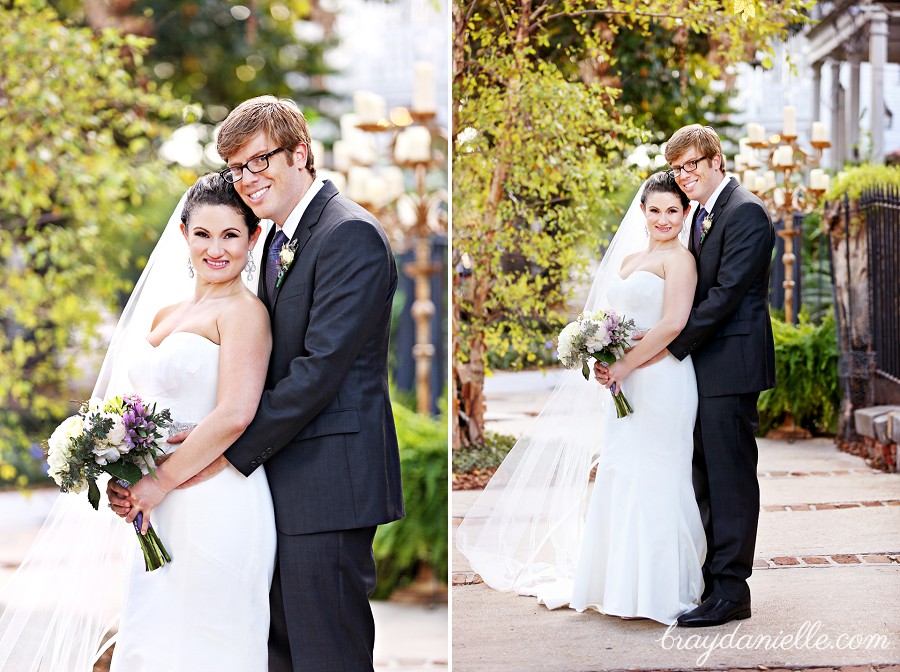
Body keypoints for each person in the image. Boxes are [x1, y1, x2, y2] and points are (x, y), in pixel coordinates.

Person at [112, 95, 404, 671]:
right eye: (237, 168)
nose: (247, 179)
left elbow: (317, 373)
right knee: (276, 653)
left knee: (327, 653)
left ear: (300, 154)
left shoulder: (350, 235)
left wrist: (207, 457)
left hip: (328, 486)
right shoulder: (272, 237)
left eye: (260, 161)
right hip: (273, 486)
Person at [0, 173, 277, 672]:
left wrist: (158, 481)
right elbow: (139, 412)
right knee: (152, 641)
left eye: (231, 235)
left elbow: (235, 415)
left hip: (217, 499)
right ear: (184, 235)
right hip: (159, 506)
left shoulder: (245, 314)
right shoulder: (165, 314)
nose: (216, 249)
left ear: (252, 238)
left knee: (209, 645)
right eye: (204, 234)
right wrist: (123, 471)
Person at [456, 171, 706, 626]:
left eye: (673, 210)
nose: (664, 219)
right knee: (619, 470)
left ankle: (660, 590)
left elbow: (673, 325)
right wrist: (603, 357)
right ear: (643, 212)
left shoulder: (681, 260)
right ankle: (617, 585)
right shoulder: (631, 258)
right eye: (655, 210)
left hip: (664, 381)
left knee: (658, 476)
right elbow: (614, 320)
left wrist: (626, 363)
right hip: (625, 383)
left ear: (684, 212)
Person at [600, 125, 776, 627]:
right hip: (697, 369)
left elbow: (724, 296)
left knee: (730, 479)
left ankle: (731, 591)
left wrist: (658, 346)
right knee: (699, 476)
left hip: (731, 367)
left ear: (716, 159)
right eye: (678, 169)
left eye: (692, 165)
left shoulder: (746, 212)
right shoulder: (699, 213)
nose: (685, 176)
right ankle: (703, 579)